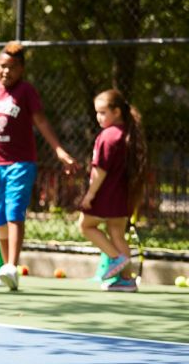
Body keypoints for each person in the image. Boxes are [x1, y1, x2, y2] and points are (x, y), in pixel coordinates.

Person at [0, 41, 78, 291]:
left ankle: (12, 267)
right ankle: (5, 267)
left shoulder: (26, 91)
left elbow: (40, 121)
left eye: (12, 68)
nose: (7, 71)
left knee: (14, 211)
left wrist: (59, 151)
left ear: (22, 70)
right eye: (3, 66)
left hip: (20, 164)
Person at [79, 89, 147, 292]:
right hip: (122, 195)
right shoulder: (126, 133)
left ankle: (116, 258)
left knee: (85, 225)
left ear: (116, 111)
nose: (99, 117)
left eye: (103, 112)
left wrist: (89, 195)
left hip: (106, 195)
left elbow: (100, 170)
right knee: (116, 233)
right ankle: (127, 280)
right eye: (97, 113)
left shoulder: (108, 136)